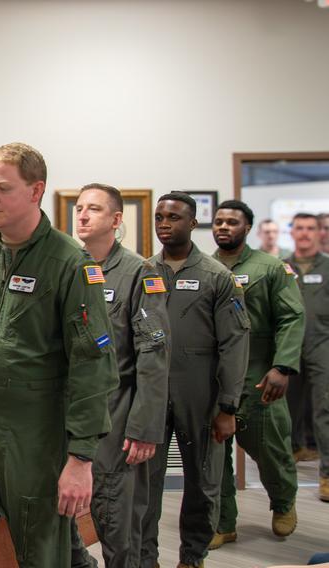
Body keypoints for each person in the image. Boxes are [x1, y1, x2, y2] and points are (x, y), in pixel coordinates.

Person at [0, 143, 118, 567]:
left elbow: (93, 365)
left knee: (42, 555)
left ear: (36, 191)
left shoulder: (71, 264)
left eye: (3, 188)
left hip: (35, 431)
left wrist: (80, 458)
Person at [141, 192, 250, 568]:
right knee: (144, 483)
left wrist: (228, 406)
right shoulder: (144, 272)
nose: (164, 224)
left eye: (173, 217)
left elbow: (235, 344)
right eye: (159, 217)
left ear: (193, 223)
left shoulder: (217, 276)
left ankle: (192, 557)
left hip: (201, 395)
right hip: (151, 397)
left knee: (203, 483)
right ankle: (146, 558)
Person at [68, 183, 171, 568]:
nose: (82, 215)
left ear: (115, 220)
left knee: (117, 520)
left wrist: (144, 427)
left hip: (117, 414)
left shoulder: (139, 273)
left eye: (93, 209)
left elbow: (154, 353)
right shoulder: (67, 266)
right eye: (79, 208)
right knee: (64, 521)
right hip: (69, 412)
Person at [208, 200, 304, 549]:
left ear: (246, 227)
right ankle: (223, 523)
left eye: (231, 222)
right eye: (218, 221)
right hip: (213, 380)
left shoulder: (271, 267)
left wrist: (283, 366)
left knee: (272, 451)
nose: (223, 227)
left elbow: (292, 318)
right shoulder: (204, 267)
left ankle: (283, 503)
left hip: (259, 376)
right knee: (214, 460)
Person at [284, 213, 329, 502]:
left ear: (318, 232)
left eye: (310, 228)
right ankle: (293, 454)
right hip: (288, 345)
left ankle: (327, 475)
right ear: (293, 232)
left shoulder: (328, 266)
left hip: (322, 343)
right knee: (285, 409)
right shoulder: (281, 267)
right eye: (299, 228)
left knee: (324, 407)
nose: (304, 233)